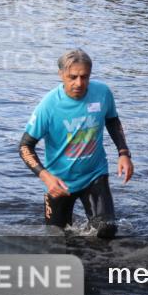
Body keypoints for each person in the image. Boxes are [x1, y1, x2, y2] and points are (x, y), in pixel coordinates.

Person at [19, 49, 134, 238]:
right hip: (60, 182)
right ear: (61, 75)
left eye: (84, 77)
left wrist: (123, 153)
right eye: (72, 77)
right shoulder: (48, 106)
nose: (79, 83)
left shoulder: (102, 93)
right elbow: (24, 147)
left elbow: (112, 120)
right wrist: (46, 178)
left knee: (107, 231)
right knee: (57, 238)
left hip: (94, 174)